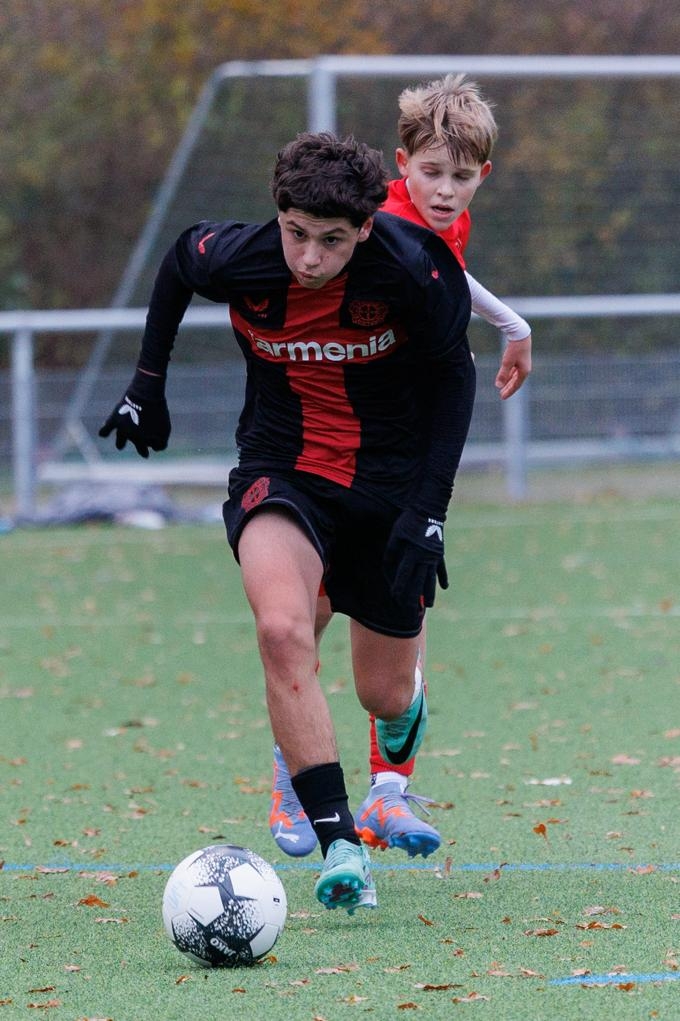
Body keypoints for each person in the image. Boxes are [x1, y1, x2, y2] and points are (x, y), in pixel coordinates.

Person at [99, 131, 476, 914]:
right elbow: (178, 261)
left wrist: (429, 512)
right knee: (281, 629)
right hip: (282, 470)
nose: (308, 257)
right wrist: (146, 382)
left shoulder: (413, 266)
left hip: (388, 487)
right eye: (296, 232)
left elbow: (455, 380)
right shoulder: (243, 257)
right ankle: (340, 842)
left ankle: (404, 712)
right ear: (279, 215)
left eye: (331, 240)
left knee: (383, 694)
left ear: (366, 227)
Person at [269, 74, 533, 862]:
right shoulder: (374, 222)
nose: (445, 190)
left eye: (462, 176)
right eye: (432, 173)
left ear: (482, 175)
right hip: (335, 447)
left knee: (400, 633)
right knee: (306, 616)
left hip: (405, 456)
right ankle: (294, 779)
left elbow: (445, 284)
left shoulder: (445, 220)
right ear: (401, 166)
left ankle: (387, 791)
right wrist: (513, 324)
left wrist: (506, 324)